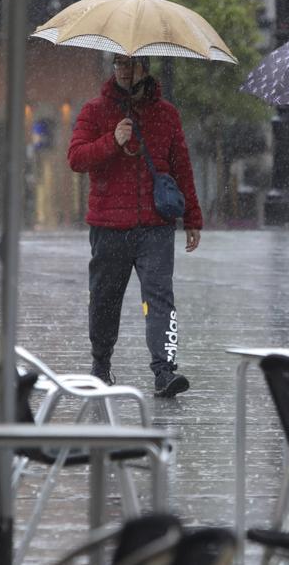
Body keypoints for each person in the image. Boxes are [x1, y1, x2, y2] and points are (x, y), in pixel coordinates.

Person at [67, 54, 202, 398]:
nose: (125, 71)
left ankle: (165, 370)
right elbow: (76, 158)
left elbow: (181, 166)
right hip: (109, 225)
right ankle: (100, 364)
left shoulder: (167, 114)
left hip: (155, 225)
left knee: (160, 299)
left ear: (145, 68)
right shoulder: (94, 111)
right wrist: (112, 140)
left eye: (132, 64)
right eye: (119, 65)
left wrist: (192, 218)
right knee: (104, 300)